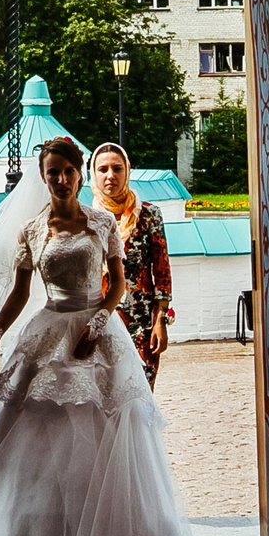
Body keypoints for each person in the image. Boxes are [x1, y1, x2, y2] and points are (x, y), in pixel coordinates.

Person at [0, 140, 209, 536]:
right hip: (49, 327)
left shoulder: (101, 222)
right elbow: (22, 293)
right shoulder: (32, 228)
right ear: (43, 177)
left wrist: (98, 323)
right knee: (33, 425)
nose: (60, 180)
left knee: (106, 427)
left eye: (67, 171)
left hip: (97, 328)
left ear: (79, 174)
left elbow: (117, 284)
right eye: (52, 173)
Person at [90, 143, 176, 387]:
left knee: (140, 397)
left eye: (117, 168)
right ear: (93, 174)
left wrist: (161, 320)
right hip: (101, 320)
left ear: (127, 170)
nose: (110, 176)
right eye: (103, 169)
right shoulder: (86, 218)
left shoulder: (148, 215)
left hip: (142, 324)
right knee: (105, 397)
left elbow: (162, 270)